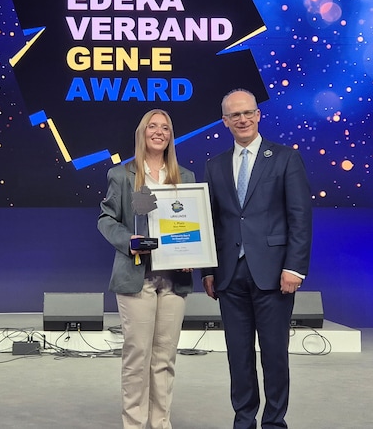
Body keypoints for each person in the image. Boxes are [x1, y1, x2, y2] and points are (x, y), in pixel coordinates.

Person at [201, 89, 313, 429]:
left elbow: (300, 217)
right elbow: (211, 222)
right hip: (229, 276)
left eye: (248, 112)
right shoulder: (215, 165)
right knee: (238, 356)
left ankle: (274, 422)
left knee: (275, 355)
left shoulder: (285, 158)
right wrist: (208, 270)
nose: (243, 119)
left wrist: (294, 267)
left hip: (275, 274)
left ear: (259, 115)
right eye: (235, 115)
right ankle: (244, 421)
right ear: (225, 121)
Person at [98, 109, 196, 429]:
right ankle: (134, 424)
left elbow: (192, 225)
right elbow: (106, 219)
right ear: (142, 133)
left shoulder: (185, 177)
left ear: (171, 135)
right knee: (138, 356)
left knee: (164, 357)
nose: (158, 132)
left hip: (174, 280)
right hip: (136, 277)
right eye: (152, 126)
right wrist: (128, 241)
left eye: (165, 127)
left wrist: (193, 252)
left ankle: (160, 423)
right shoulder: (121, 174)